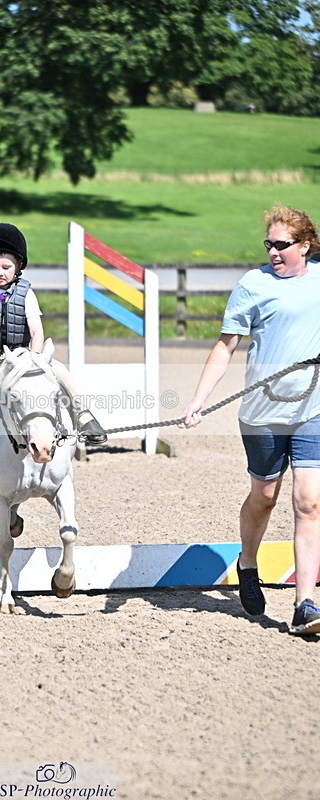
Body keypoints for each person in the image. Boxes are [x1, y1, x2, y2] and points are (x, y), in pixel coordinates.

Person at [180, 204, 320, 636]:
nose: (273, 252)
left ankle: (305, 603)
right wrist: (198, 401)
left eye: (282, 245)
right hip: (263, 413)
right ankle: (248, 563)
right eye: (268, 244)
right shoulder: (252, 285)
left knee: (309, 502)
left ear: (306, 245)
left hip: (313, 411)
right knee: (265, 497)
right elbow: (226, 346)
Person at [0, 222, 107, 463]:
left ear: (18, 266)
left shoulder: (27, 294)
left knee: (61, 371)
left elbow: (37, 332)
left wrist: (34, 360)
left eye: (6, 267)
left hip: (24, 356)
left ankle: (84, 417)